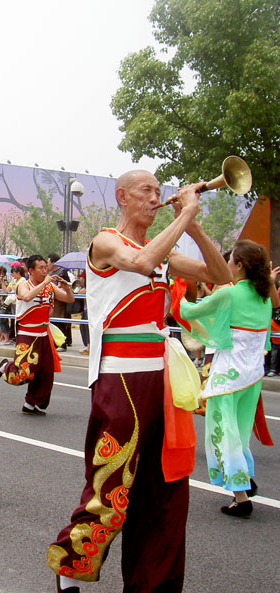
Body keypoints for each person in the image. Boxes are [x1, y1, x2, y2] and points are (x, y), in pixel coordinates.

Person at [47, 171, 231, 593]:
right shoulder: (107, 241)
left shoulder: (163, 250)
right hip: (121, 381)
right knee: (112, 483)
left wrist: (194, 220)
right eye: (146, 191)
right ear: (122, 197)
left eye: (159, 192)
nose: (155, 198)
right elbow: (142, 262)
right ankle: (71, 563)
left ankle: (154, 583)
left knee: (165, 489)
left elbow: (219, 275)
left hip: (160, 380)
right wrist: (183, 215)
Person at [176, 240, 277, 518]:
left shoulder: (230, 294)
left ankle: (241, 496)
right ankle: (245, 476)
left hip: (227, 375)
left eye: (230, 261)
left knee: (222, 435)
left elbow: (189, 312)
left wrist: (179, 291)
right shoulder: (264, 296)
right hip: (253, 374)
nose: (227, 265)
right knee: (240, 434)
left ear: (240, 265)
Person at [0, 255, 74, 415]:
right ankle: (6, 367)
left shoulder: (50, 287)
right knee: (23, 373)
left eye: (45, 267)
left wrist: (66, 287)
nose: (45, 271)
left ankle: (33, 404)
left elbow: (69, 299)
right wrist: (44, 283)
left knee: (46, 373)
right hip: (27, 334)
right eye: (40, 268)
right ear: (30, 271)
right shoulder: (23, 285)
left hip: (44, 334)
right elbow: (27, 296)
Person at [48, 253, 73, 351]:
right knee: (53, 322)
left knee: (59, 321)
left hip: (59, 302)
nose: (47, 264)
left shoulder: (62, 272)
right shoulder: (50, 273)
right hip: (52, 301)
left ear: (54, 262)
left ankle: (62, 344)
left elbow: (65, 286)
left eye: (48, 262)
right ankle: (55, 343)